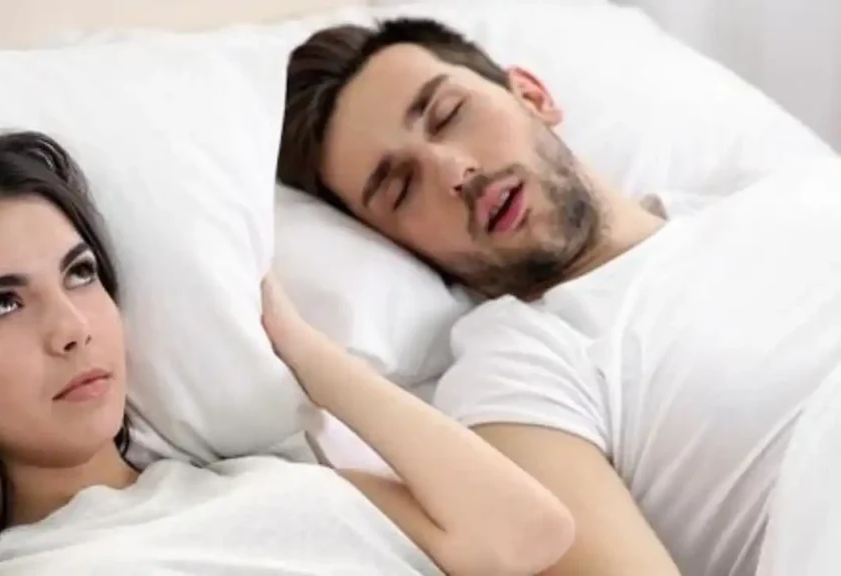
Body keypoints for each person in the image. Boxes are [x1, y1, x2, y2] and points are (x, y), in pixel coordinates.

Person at [0, 131, 574, 575]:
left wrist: (300, 347)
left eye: (81, 274)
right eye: (2, 303)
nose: (72, 327)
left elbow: (529, 533)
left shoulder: (277, 484)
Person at [276, 16, 841, 576]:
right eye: (401, 188)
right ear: (400, 248)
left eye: (449, 115)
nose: (453, 170)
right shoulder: (522, 364)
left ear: (533, 95)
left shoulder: (796, 190)